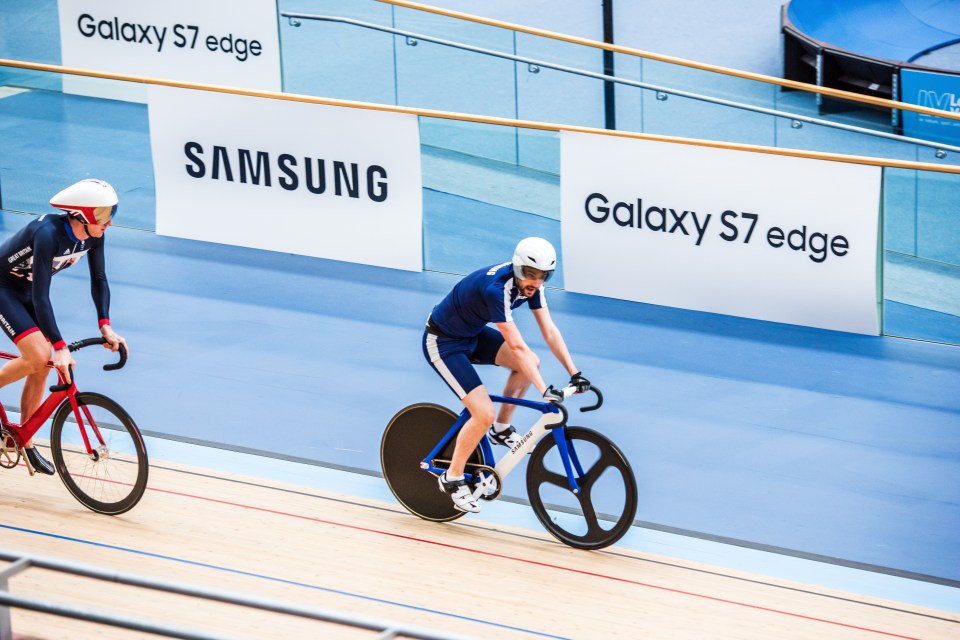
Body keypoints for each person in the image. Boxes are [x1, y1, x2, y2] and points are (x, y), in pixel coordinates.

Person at [422, 237, 590, 513]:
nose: (534, 282)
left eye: (542, 276)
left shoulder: (533, 287)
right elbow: (515, 344)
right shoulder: (496, 289)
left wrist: (576, 373)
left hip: (471, 334)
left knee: (529, 363)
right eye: (529, 274)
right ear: (517, 267)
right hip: (444, 343)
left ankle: (501, 430)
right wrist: (544, 389)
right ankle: (451, 477)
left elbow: (549, 330)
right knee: (482, 412)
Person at [0, 179, 128, 475]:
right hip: (5, 287)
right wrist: (58, 346)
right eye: (103, 214)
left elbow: (99, 279)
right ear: (82, 214)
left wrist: (105, 326)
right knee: (38, 355)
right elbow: (41, 296)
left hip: (27, 290)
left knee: (44, 363)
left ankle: (24, 439)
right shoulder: (47, 233)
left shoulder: (94, 234)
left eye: (112, 212)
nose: (109, 222)